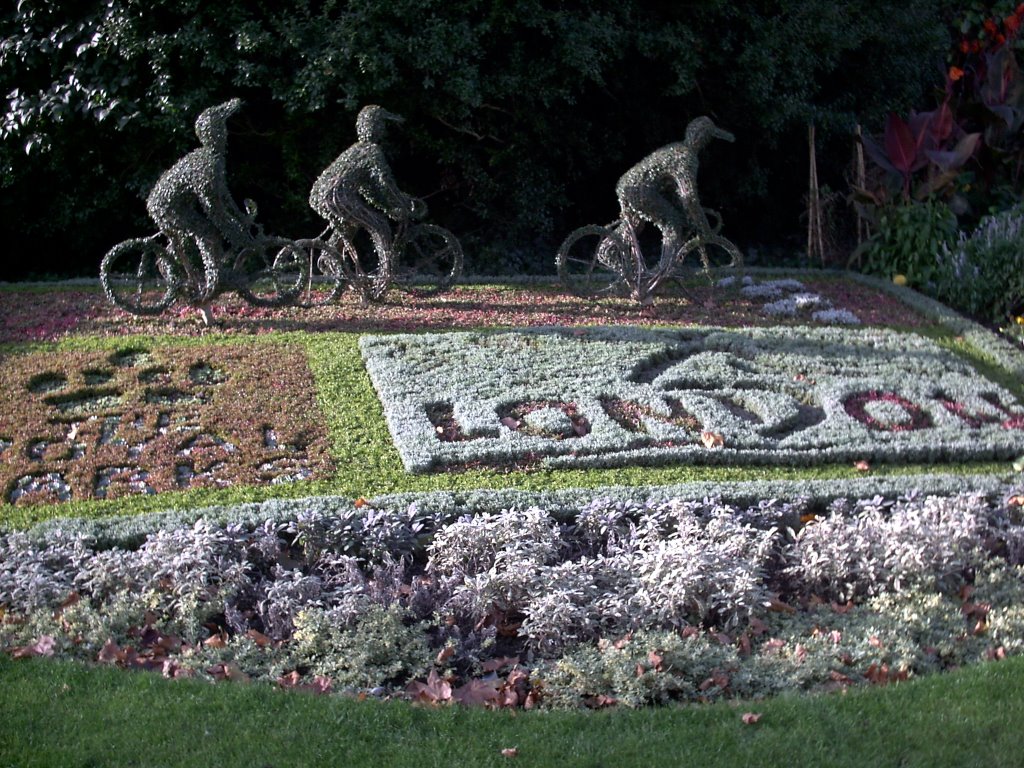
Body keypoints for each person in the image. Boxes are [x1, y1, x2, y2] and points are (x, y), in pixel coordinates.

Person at [146, 98, 252, 302]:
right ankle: (212, 282)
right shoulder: (206, 164)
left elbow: (222, 196)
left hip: (176, 204)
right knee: (207, 232)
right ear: (214, 134)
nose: (224, 135)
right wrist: (235, 231)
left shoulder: (214, 160)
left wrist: (239, 216)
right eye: (220, 130)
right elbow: (213, 207)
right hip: (166, 205)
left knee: (188, 239)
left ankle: (182, 277)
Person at [309, 105, 422, 274]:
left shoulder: (356, 150)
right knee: (380, 225)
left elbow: (370, 191)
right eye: (381, 125)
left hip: (322, 195)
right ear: (374, 126)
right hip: (336, 196)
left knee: (350, 224)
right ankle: (385, 277)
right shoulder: (371, 151)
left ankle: (329, 258)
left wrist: (390, 206)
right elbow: (385, 184)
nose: (383, 130)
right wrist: (401, 201)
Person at [615, 116, 734, 265]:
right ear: (703, 139)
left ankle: (609, 251)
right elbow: (689, 197)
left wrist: (690, 211)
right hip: (640, 189)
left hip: (626, 185)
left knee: (634, 225)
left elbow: (673, 192)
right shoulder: (686, 157)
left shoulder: (676, 147)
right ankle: (665, 270)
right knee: (673, 222)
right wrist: (704, 227)